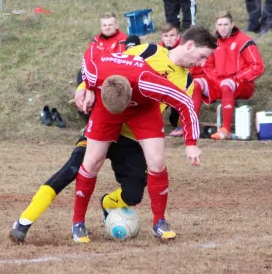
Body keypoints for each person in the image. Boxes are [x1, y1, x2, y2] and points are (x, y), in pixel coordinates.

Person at [9, 27, 217, 243]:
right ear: (190, 45)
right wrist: (85, 87)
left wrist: (190, 141)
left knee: (134, 193)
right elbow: (104, 67)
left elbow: (183, 109)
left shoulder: (187, 84)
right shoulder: (149, 52)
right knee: (72, 168)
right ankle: (25, 221)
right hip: (106, 119)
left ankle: (110, 204)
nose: (202, 64)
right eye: (203, 57)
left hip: (133, 137)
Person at [70, 46, 204, 243]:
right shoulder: (95, 72)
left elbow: (184, 102)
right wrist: (87, 88)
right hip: (105, 109)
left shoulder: (148, 81)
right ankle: (78, 223)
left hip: (144, 109)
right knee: (91, 161)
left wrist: (191, 143)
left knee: (156, 161)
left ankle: (160, 222)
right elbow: (88, 52)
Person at [192, 11, 265, 140]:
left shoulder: (244, 41)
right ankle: (192, 126)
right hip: (217, 82)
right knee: (196, 84)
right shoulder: (212, 42)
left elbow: (257, 66)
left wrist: (238, 77)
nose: (223, 28)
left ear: (232, 25)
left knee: (226, 84)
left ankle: (225, 129)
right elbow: (207, 66)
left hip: (241, 84)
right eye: (220, 24)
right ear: (216, 25)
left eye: (226, 24)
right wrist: (215, 78)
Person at [74, 13, 128, 86]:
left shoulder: (122, 39)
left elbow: (121, 60)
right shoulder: (97, 39)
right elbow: (88, 57)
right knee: (81, 73)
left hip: (112, 73)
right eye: (104, 25)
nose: (107, 28)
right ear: (101, 27)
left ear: (116, 26)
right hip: (97, 71)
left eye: (110, 25)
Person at [159, 23, 183, 136]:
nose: (169, 39)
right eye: (166, 36)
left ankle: (182, 124)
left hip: (180, 85)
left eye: (172, 35)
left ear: (178, 36)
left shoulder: (184, 49)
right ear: (162, 38)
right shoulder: (157, 50)